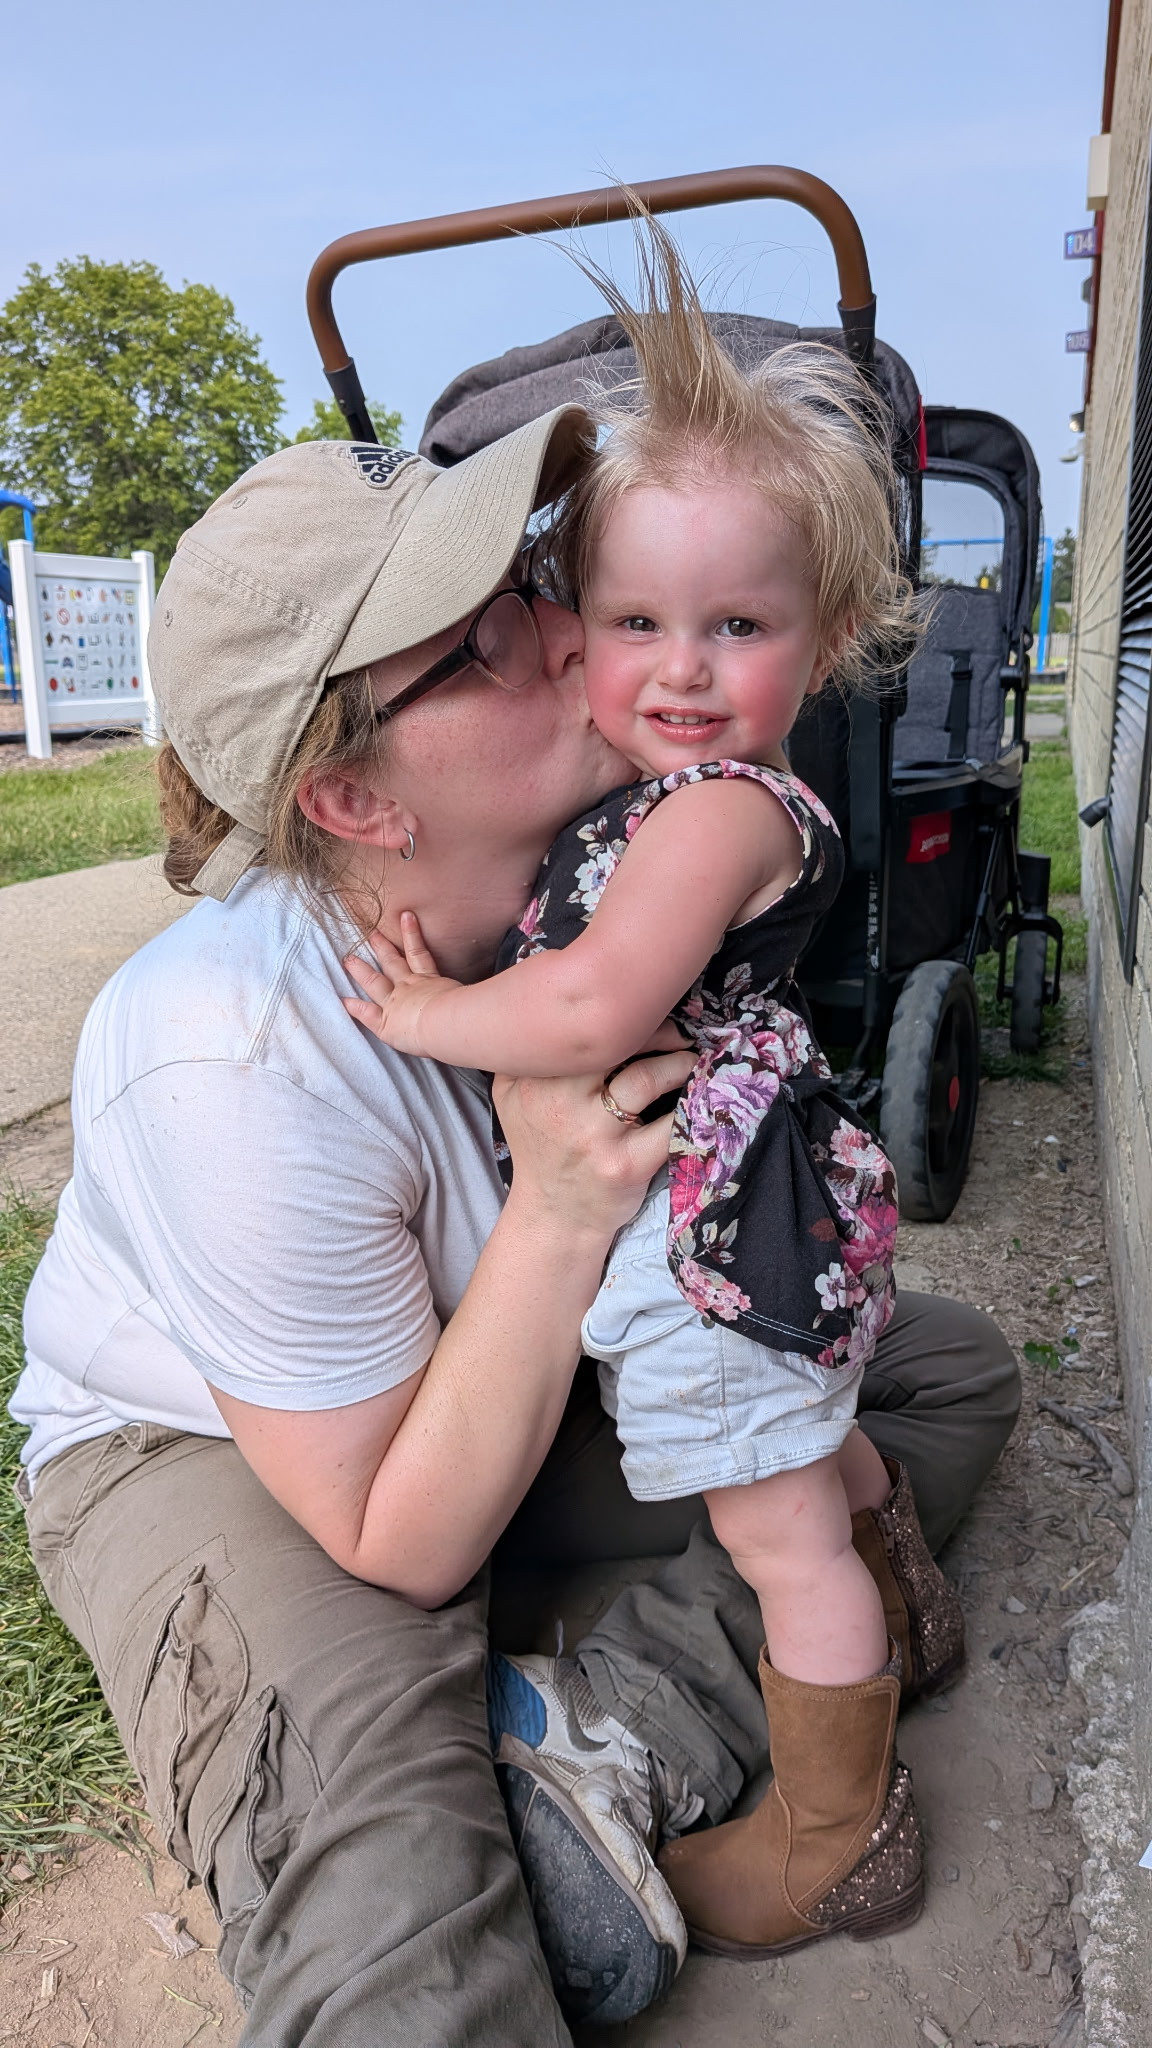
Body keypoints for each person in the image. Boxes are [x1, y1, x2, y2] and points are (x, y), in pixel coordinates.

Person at [10, 404, 1019, 2048]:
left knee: (935, 1370)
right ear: (355, 798)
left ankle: (605, 1735)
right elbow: (399, 1539)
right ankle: (506, 1767)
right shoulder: (231, 1053)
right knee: (403, 1940)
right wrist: (557, 1205)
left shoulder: (602, 890)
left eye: (541, 578)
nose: (573, 634)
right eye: (485, 639)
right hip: (260, 1459)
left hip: (526, 1371)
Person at [343, 223, 951, 1958]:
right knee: (817, 1456)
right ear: (579, 628)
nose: (680, 670)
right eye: (636, 623)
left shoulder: (724, 811)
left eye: (736, 625)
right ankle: (911, 1610)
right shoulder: (666, 784)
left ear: (825, 642)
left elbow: (599, 999)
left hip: (714, 1235)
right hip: (738, 1211)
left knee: (777, 1537)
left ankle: (842, 1836)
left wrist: (428, 1012)